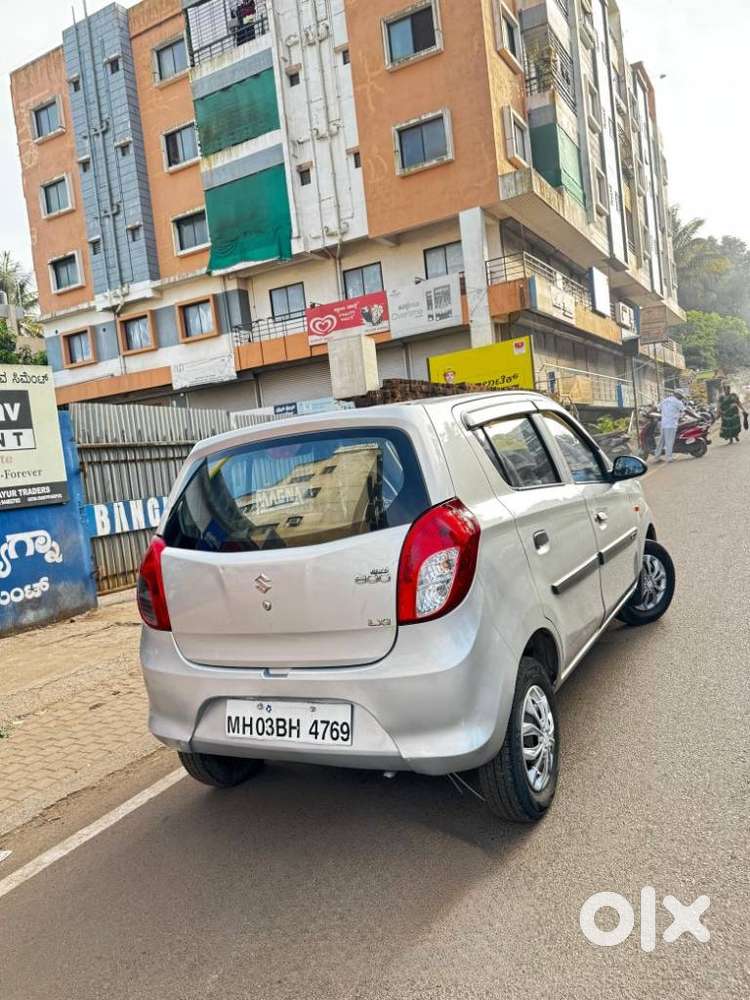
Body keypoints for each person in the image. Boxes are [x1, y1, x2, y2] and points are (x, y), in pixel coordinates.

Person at [652, 388, 686, 462]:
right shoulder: (678, 402)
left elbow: (656, 407)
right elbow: (685, 410)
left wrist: (649, 412)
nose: (681, 397)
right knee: (669, 441)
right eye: (681, 396)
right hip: (671, 424)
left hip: (663, 424)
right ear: (677, 395)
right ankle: (669, 457)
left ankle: (656, 457)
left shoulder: (665, 400)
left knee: (661, 441)